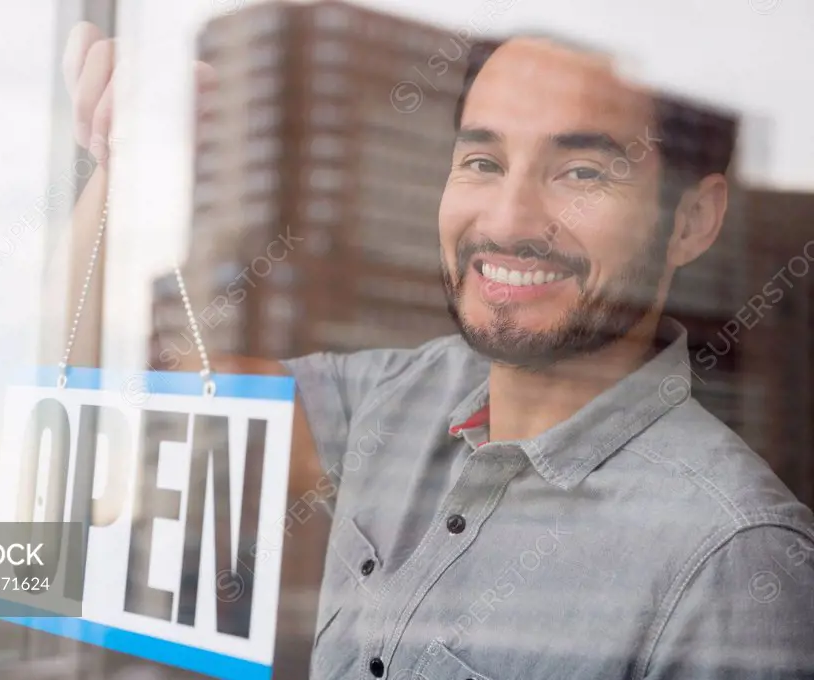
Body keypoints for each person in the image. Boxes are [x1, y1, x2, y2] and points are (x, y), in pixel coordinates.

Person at [63, 22, 814, 680]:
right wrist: (123, 158)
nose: (509, 220)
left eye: (581, 173)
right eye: (483, 163)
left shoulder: (736, 558)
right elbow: (121, 398)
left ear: (692, 221)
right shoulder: (393, 396)